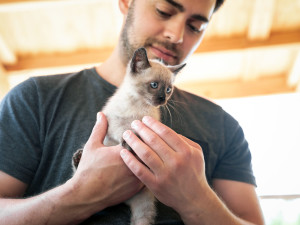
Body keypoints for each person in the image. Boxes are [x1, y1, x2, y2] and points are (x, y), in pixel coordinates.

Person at [0, 0, 265, 224]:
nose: (177, 35)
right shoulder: (34, 98)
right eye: (164, 10)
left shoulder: (223, 126)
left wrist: (197, 201)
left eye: (195, 26)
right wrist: (77, 196)